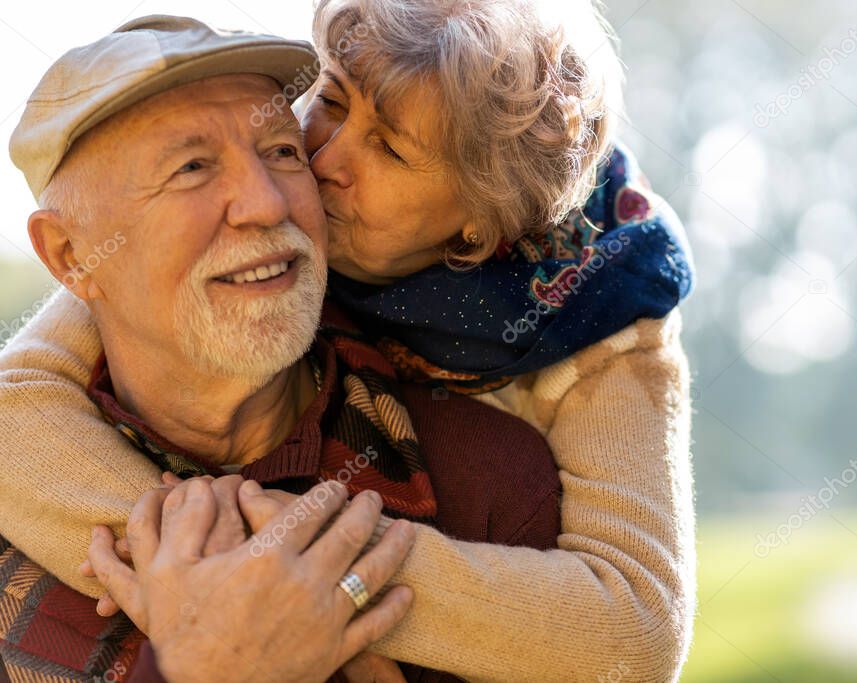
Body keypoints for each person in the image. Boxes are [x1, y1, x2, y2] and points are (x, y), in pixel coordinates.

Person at [1, 1, 698, 680]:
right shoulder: (198, 241)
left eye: (389, 147)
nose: (317, 160)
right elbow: (16, 407)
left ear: (470, 232)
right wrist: (225, 581)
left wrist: (317, 574)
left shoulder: (604, 321)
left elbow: (634, 630)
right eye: (330, 102)